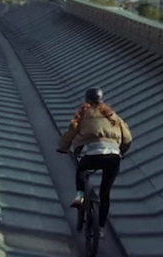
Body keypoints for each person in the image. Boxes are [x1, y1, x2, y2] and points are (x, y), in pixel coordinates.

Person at [56, 87, 132, 235]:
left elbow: (72, 130)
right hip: (113, 157)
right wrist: (121, 151)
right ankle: (101, 229)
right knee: (105, 193)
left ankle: (79, 196)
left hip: (94, 155)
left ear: (87, 100)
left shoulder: (83, 114)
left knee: (81, 170)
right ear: (102, 100)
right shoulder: (113, 116)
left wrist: (63, 147)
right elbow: (128, 138)